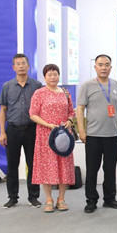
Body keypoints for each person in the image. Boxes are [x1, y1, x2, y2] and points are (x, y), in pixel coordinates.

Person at [76, 54, 117, 214]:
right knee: (92, 170)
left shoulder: (116, 85)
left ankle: (110, 198)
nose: (103, 67)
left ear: (111, 67)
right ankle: (91, 200)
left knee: (110, 169)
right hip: (93, 135)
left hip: (112, 135)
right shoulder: (87, 86)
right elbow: (80, 109)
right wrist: (81, 130)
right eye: (100, 64)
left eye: (106, 64)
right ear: (95, 67)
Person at [29, 64, 76, 213]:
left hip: (63, 135)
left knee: (64, 167)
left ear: (59, 76)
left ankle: (61, 199)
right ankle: (48, 199)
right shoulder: (39, 93)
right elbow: (33, 114)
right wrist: (48, 125)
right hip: (45, 134)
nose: (53, 77)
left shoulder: (65, 92)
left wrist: (69, 121)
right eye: (49, 75)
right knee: (46, 167)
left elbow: (71, 112)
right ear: (44, 77)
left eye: (55, 74)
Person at [0, 53, 42, 209]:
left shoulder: (37, 86)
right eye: (18, 64)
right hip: (13, 130)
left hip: (32, 129)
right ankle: (12, 197)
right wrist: (2, 132)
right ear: (13, 67)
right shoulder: (7, 86)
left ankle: (33, 197)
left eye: (23, 63)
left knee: (33, 164)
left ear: (28, 66)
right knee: (12, 165)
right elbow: (3, 110)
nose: (21, 66)